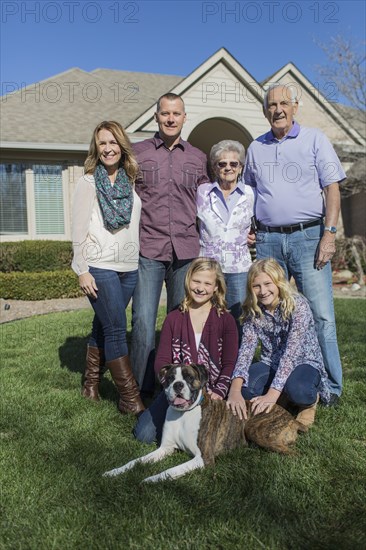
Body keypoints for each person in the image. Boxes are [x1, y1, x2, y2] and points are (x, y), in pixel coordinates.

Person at [244, 83, 346, 405]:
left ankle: (330, 387)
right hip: (269, 239)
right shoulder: (255, 148)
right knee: (267, 312)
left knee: (321, 315)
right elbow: (249, 194)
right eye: (272, 105)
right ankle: (275, 374)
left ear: (295, 106)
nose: (278, 109)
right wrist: (249, 227)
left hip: (308, 237)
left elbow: (332, 188)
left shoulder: (315, 139)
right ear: (265, 111)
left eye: (284, 103)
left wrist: (329, 234)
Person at [131, 93, 209, 399]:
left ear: (184, 117)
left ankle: (180, 389)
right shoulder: (138, 153)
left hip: (186, 252)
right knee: (142, 321)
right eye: (165, 113)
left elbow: (208, 202)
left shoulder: (198, 157)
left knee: (180, 323)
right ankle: (139, 391)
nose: (171, 118)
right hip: (148, 247)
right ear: (157, 117)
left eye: (176, 113)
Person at [72, 120, 144, 415]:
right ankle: (130, 398)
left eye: (113, 142)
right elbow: (77, 229)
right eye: (103, 143)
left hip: (129, 267)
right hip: (99, 266)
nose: (108, 148)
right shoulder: (88, 182)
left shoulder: (131, 180)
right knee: (116, 328)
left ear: (122, 146)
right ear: (96, 148)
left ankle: (91, 383)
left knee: (103, 324)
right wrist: (82, 269)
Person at [134, 257, 239, 443]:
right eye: (196, 281)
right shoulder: (174, 318)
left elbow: (231, 362)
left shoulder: (226, 319)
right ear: (188, 280)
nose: (200, 288)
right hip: (178, 388)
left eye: (207, 283)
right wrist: (171, 387)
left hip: (214, 390)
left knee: (211, 437)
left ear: (216, 287)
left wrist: (221, 389)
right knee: (144, 434)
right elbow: (162, 361)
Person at [227, 259, 331, 426]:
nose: (263, 291)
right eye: (256, 286)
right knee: (245, 390)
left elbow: (291, 354)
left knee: (299, 390)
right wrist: (234, 390)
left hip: (303, 362)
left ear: (279, 283)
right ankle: (284, 394)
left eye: (268, 284)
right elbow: (246, 352)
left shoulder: (298, 305)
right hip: (271, 363)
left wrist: (271, 395)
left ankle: (308, 403)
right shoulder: (252, 310)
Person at [196, 139, 254, 331]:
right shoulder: (202, 192)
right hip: (209, 267)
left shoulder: (250, 194)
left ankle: (235, 360)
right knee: (208, 319)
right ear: (214, 167)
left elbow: (261, 222)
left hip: (239, 268)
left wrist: (255, 234)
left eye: (233, 164)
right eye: (222, 164)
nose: (228, 168)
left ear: (240, 167)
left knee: (237, 320)